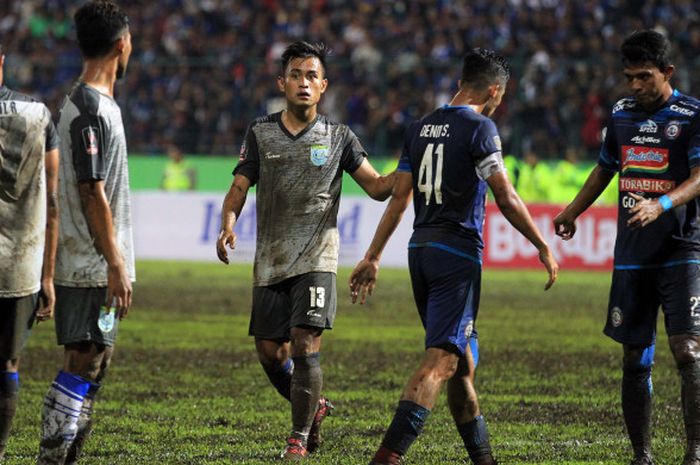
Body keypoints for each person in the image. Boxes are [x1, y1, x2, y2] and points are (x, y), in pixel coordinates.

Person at [349, 48, 558, 465]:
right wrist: (542, 243)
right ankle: (385, 459)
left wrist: (373, 256)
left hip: (420, 250)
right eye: (502, 96)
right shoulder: (481, 128)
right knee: (441, 363)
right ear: (494, 90)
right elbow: (506, 195)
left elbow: (398, 200)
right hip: (456, 254)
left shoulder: (420, 126)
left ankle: (484, 460)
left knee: (461, 365)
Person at [216, 40, 395, 460]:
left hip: (318, 258)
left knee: (304, 343)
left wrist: (408, 168)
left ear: (323, 86)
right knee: (269, 352)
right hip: (271, 260)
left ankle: (297, 439)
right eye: (295, 74)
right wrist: (227, 224)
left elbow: (376, 186)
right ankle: (315, 410)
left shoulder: (339, 137)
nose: (303, 82)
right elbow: (239, 187)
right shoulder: (260, 133)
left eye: (311, 76)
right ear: (282, 82)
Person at [554, 30, 700, 465]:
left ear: (667, 72)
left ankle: (694, 453)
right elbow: (604, 170)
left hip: (682, 249)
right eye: (629, 77)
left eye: (644, 77)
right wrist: (573, 210)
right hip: (633, 254)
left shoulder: (692, 114)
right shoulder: (620, 114)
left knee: (688, 350)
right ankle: (643, 456)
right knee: (635, 355)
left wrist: (663, 204)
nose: (635, 85)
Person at [37, 2, 134, 463]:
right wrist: (115, 263)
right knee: (82, 359)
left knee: (97, 361)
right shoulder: (88, 108)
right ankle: (52, 458)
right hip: (87, 268)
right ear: (122, 45)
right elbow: (92, 191)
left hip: (99, 266)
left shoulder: (101, 105)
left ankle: (66, 457)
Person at [0, 48, 60, 461]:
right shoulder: (37, 115)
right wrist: (48, 276)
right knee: (6, 361)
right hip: (18, 264)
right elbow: (53, 202)